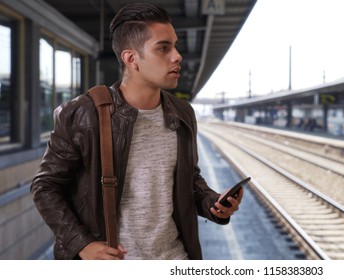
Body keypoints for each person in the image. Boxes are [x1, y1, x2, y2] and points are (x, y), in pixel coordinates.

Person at [30, 3, 242, 260]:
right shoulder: (82, 114)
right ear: (131, 59)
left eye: (175, 46)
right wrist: (81, 244)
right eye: (163, 48)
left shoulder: (183, 114)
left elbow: (189, 179)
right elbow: (45, 186)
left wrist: (213, 203)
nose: (177, 56)